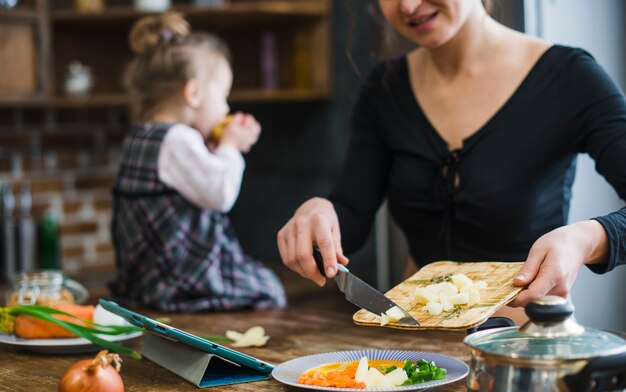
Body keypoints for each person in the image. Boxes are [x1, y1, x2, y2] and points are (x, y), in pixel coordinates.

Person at [277, 0, 626, 319]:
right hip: (417, 352)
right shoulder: (384, 88)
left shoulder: (570, 77)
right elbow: (352, 213)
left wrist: (585, 239)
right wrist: (319, 214)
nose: (409, 5)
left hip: (523, 352)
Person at [110, 12, 286, 312]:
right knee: (270, 287)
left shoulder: (142, 135)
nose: (226, 107)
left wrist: (216, 150)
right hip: (183, 277)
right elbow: (221, 195)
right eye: (223, 95)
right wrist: (231, 146)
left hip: (144, 278)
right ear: (193, 93)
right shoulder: (179, 138)